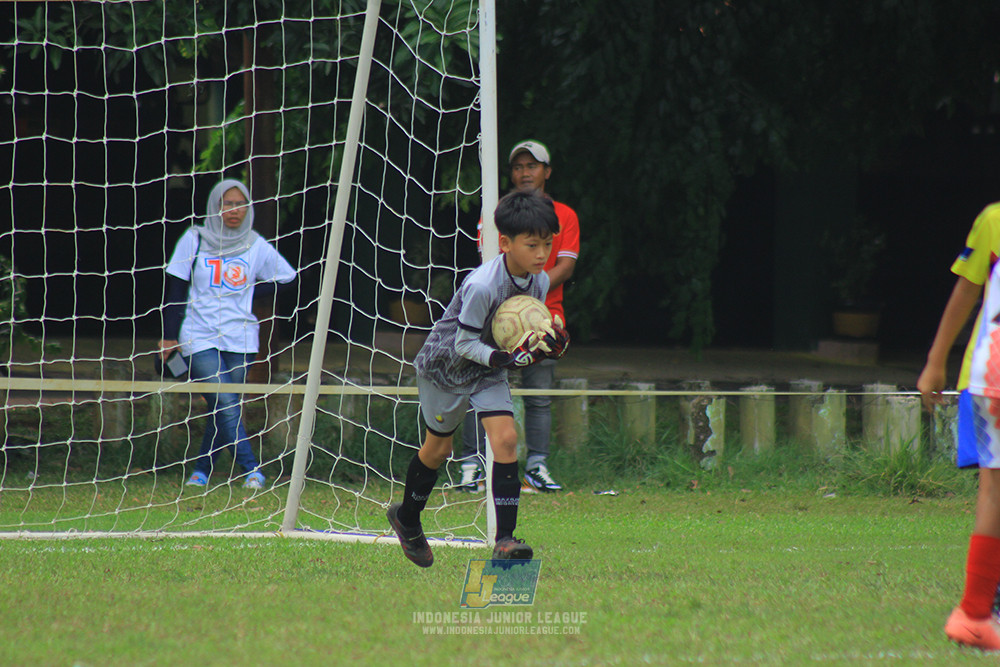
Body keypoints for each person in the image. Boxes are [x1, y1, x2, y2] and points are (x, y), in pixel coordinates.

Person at [386, 190, 569, 567]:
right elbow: (464, 342)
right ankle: (406, 519)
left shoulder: (539, 282)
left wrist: (553, 343)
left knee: (506, 439)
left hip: (487, 371)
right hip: (445, 367)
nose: (541, 254)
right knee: (439, 451)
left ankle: (504, 539)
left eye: (547, 245)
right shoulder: (483, 285)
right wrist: (504, 356)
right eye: (532, 245)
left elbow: (531, 336)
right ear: (505, 243)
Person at [457, 139, 580, 494]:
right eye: (518, 167)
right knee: (477, 390)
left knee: (539, 394)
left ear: (547, 172)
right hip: (493, 321)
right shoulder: (497, 214)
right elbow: (490, 265)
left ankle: (537, 467)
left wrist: (530, 303)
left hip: (544, 319)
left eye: (533, 166)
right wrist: (513, 303)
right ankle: (472, 465)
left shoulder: (565, 215)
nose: (525, 172)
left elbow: (566, 266)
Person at [159, 178, 296, 490]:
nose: (234, 210)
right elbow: (176, 290)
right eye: (227, 203)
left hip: (242, 338)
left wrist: (250, 290)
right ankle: (253, 469)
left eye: (240, 204)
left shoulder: (255, 244)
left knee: (224, 405)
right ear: (215, 206)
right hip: (198, 334)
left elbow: (289, 280)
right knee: (224, 400)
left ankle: (201, 470)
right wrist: (168, 336)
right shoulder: (193, 239)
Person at [917, 202, 1000, 649]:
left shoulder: (994, 218)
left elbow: (965, 293)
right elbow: (966, 292)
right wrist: (936, 361)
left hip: (990, 375)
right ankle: (979, 608)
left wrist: (935, 362)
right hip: (989, 376)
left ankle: (976, 610)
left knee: (994, 490)